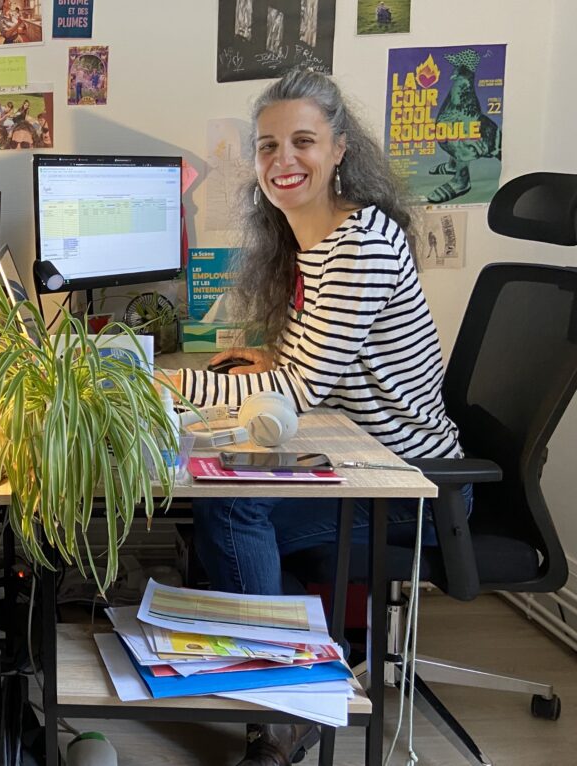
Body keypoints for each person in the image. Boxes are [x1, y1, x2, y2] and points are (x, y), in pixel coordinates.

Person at [170, 69, 467, 766]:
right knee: (215, 498)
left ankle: (284, 708)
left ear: (339, 149)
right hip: (357, 454)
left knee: (227, 505)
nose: (283, 161)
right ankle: (259, 659)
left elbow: (299, 388)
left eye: (302, 141)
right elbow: (311, 361)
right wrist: (258, 360)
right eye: (269, 146)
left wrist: (171, 383)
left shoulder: (358, 242)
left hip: (407, 482)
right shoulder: (316, 244)